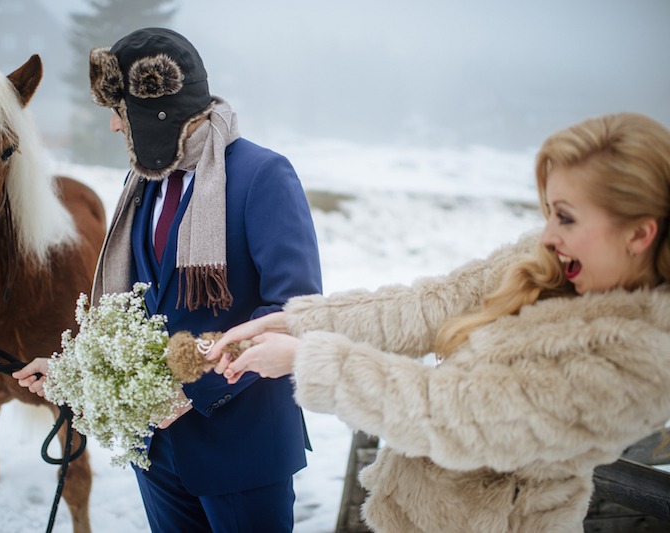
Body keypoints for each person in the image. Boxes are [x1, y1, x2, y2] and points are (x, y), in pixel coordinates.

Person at [207, 112, 670, 533]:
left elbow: (455, 414)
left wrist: (310, 361)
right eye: (548, 211)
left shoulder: (642, 358)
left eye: (566, 218)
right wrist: (296, 324)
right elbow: (427, 305)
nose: (548, 235)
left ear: (639, 233)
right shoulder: (549, 261)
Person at [13, 28, 322, 532]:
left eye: (121, 110)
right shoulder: (143, 182)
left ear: (158, 110)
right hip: (155, 453)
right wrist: (76, 373)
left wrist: (189, 390)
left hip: (241, 450)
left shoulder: (262, 175)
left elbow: (294, 309)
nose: (114, 126)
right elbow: (141, 307)